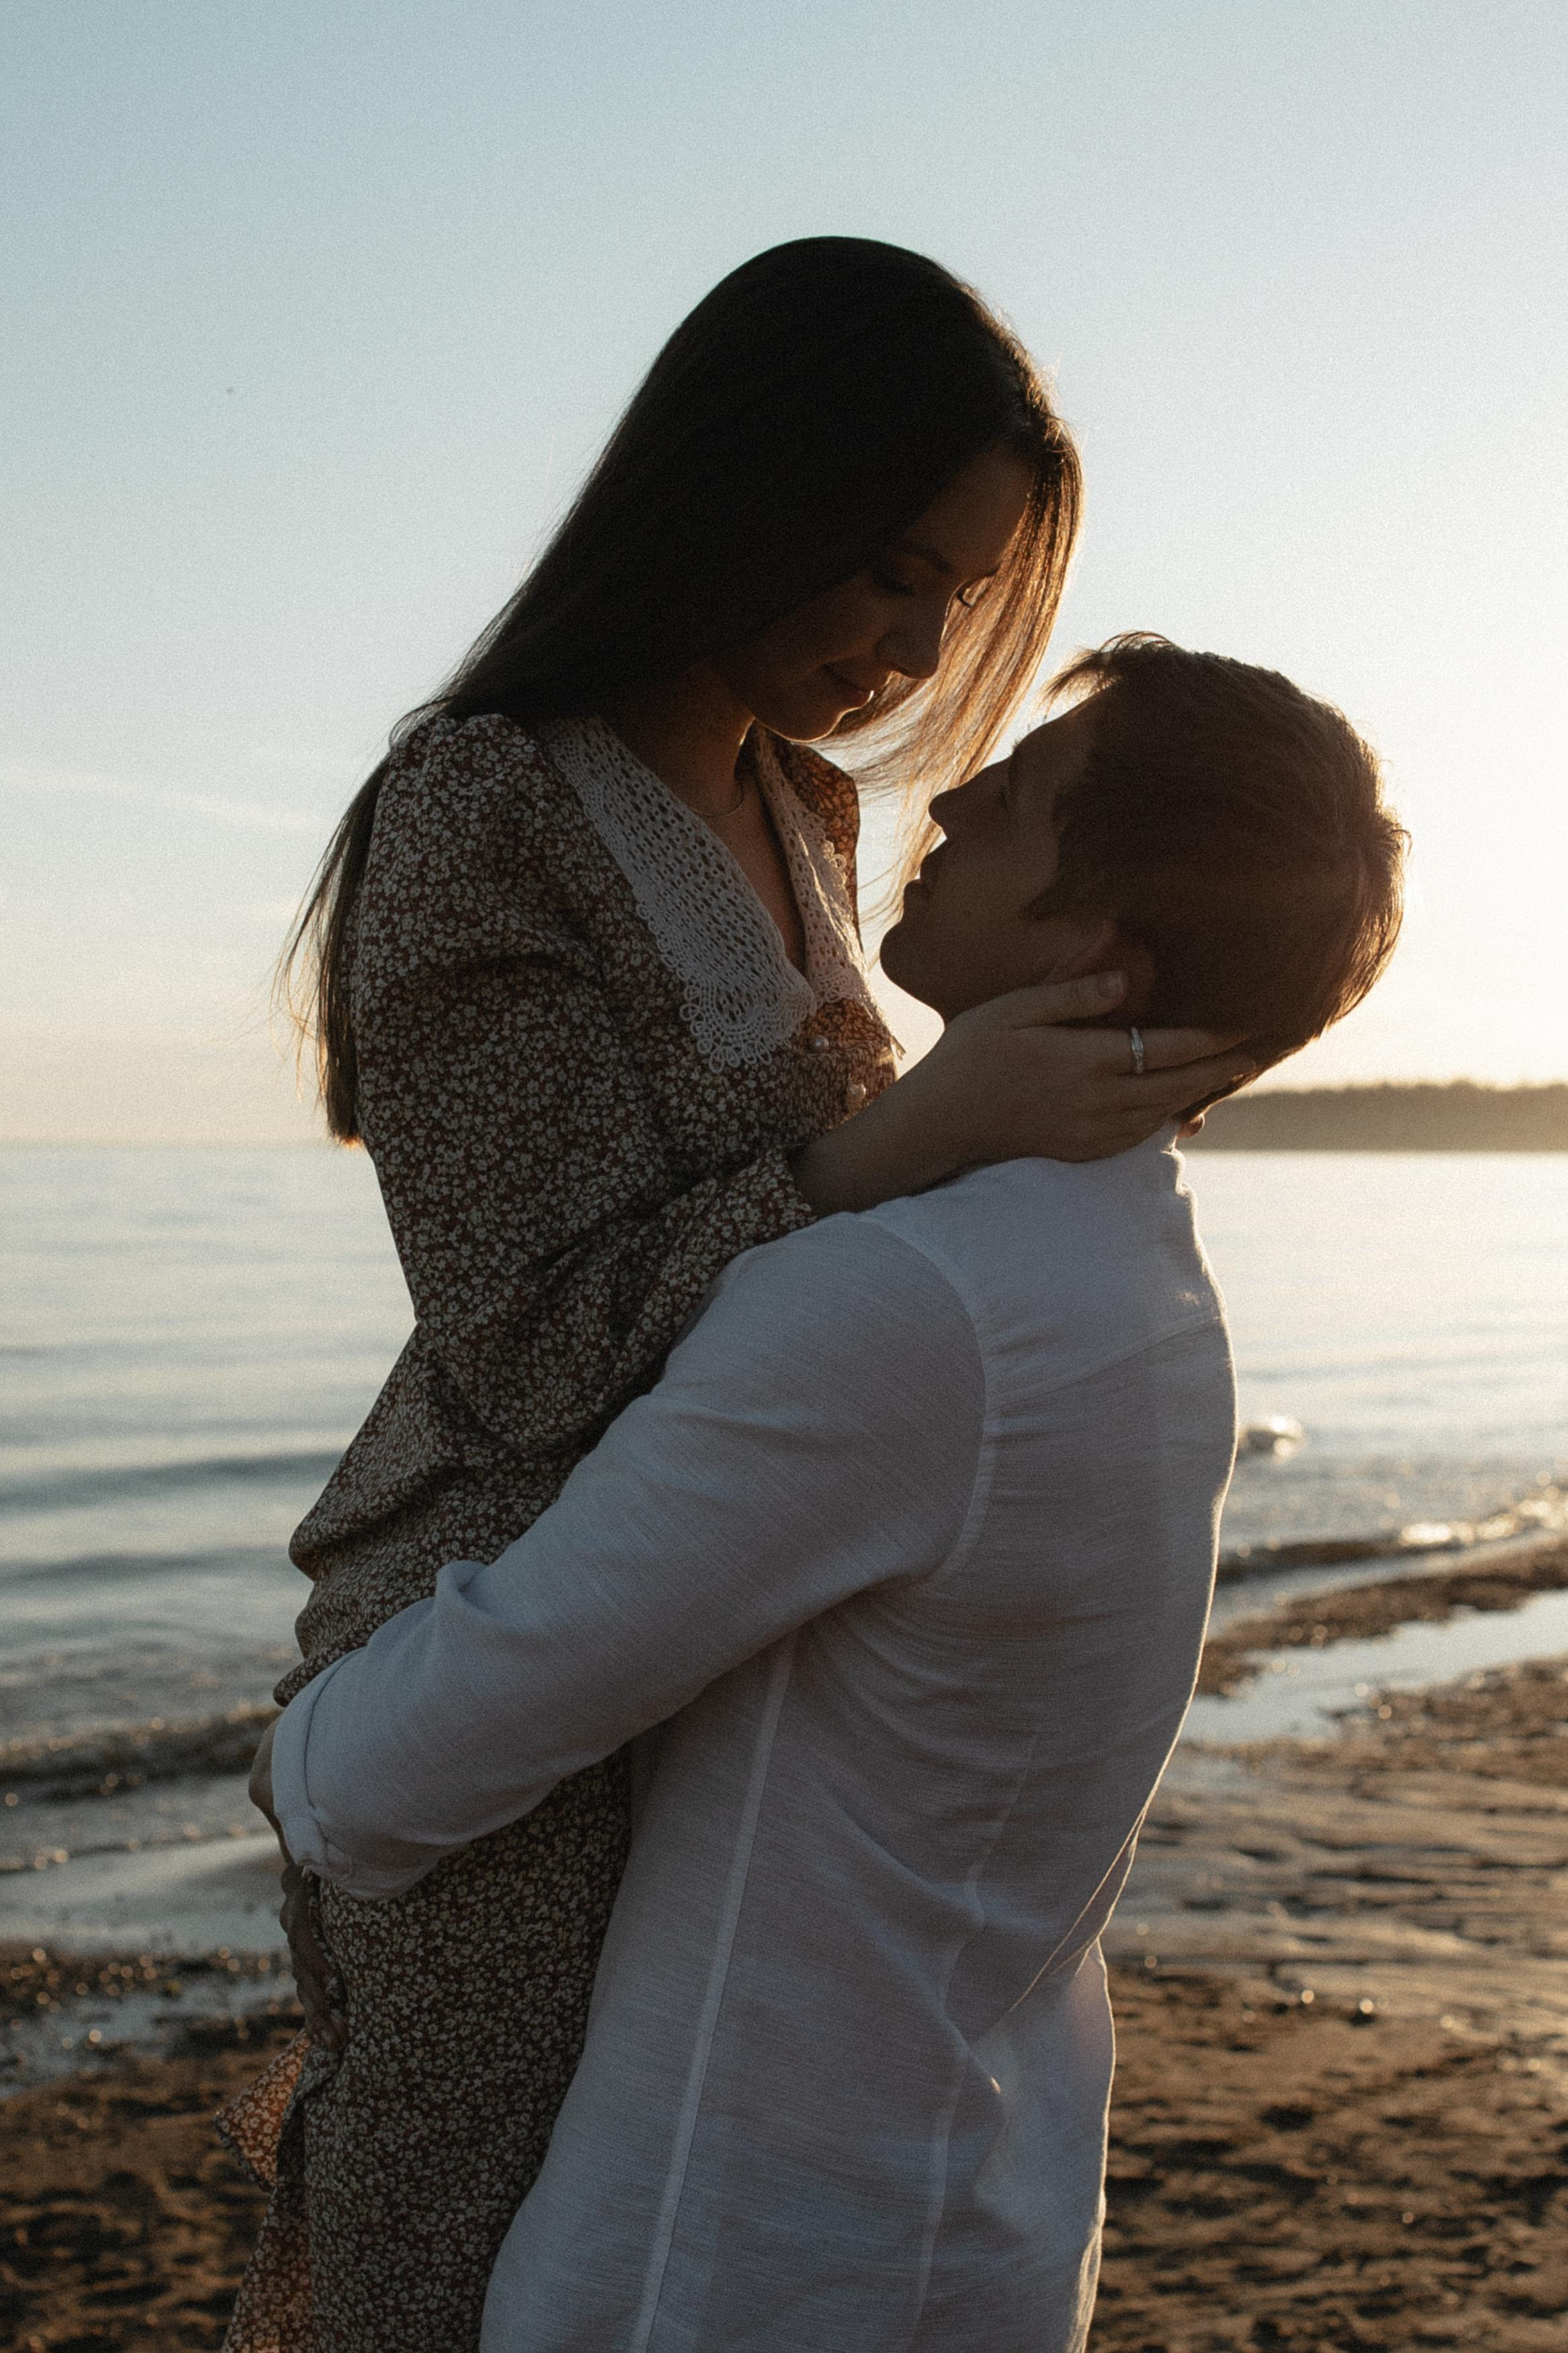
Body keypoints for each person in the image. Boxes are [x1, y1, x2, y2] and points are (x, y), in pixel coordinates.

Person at [220, 243, 1246, 2353]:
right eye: (888, 567)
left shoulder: (795, 806)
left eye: (948, 596)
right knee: (445, 2282)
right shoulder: (481, 807)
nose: (908, 646)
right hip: (496, 1661)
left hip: (717, 1643)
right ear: (744, 483)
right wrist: (900, 1143)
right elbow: (520, 1349)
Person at [254, 636, 1406, 2352]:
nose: (951, 791)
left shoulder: (905, 1303)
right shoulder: (1148, 1289)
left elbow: (423, 1760)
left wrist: (297, 1748)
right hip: (975, 2215)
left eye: (1020, 795)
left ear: (1097, 948)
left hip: (728, 2254)